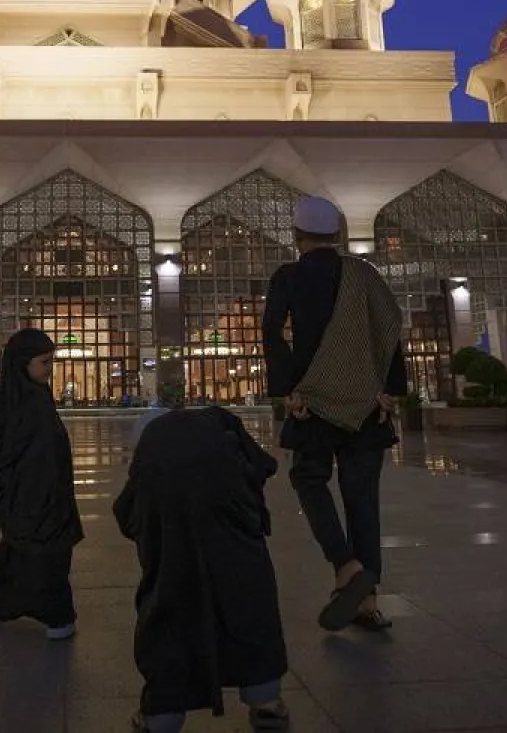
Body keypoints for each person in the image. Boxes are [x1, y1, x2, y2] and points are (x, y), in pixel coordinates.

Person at [262, 195, 406, 633]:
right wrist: (390, 390)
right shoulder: (362, 274)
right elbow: (390, 328)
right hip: (366, 405)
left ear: (297, 236)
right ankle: (368, 602)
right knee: (363, 499)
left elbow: (273, 333)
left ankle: (345, 566)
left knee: (308, 479)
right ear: (338, 235)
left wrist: (288, 389)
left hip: (315, 402)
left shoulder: (289, 276)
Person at [115, 405, 290, 732]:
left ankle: (163, 715)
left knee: (168, 615)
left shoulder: (155, 452)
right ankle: (265, 700)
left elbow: (128, 515)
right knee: (250, 606)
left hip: (171, 559)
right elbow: (259, 470)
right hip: (238, 548)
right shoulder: (217, 431)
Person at [0, 328, 82, 640]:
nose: (49, 369)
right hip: (26, 495)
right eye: (44, 362)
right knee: (43, 554)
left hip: (45, 493)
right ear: (21, 364)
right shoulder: (8, 400)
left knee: (21, 550)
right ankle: (57, 615)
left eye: (51, 361)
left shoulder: (36, 395)